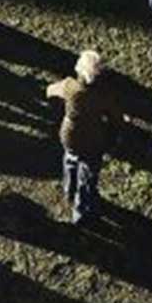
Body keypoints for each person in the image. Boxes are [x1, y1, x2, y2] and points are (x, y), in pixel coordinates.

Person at [46, 49, 125, 227]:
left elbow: (50, 91)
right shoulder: (103, 96)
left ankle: (68, 189)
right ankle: (80, 211)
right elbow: (116, 118)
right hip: (93, 140)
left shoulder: (69, 86)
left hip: (69, 135)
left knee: (70, 160)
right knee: (87, 175)